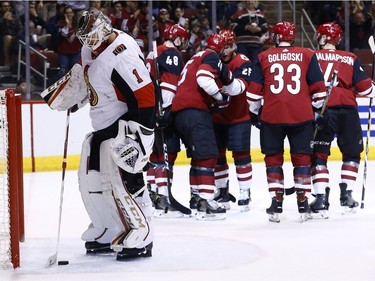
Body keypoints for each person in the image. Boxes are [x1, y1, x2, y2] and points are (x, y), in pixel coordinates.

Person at [42, 7, 156, 261]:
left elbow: (145, 97)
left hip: (124, 124)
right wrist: (69, 94)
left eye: (93, 36)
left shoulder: (122, 55)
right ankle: (107, 228)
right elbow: (85, 76)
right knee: (90, 175)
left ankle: (141, 231)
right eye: (85, 38)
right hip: (102, 125)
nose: (89, 43)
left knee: (124, 179)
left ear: (105, 28)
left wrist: (141, 137)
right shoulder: (89, 49)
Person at [247, 21, 327, 222]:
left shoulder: (263, 56)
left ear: (275, 37)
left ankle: (276, 201)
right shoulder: (308, 54)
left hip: (272, 116)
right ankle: (302, 201)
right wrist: (316, 110)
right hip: (301, 115)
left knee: (273, 158)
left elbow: (253, 93)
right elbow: (319, 88)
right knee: (302, 158)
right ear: (293, 37)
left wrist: (255, 113)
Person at [171, 33, 248, 220]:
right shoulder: (212, 57)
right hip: (195, 111)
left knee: (198, 157)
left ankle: (196, 197)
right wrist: (220, 98)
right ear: (221, 48)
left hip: (179, 113)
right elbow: (204, 79)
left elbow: (233, 86)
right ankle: (206, 201)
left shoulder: (194, 57)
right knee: (207, 156)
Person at [310, 22, 375, 216]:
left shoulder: (310, 56)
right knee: (352, 153)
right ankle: (347, 195)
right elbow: (366, 89)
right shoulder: (350, 57)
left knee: (318, 154)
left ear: (322, 38)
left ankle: (321, 198)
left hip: (321, 109)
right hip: (347, 109)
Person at [145, 24, 189, 217]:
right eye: (182, 38)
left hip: (147, 108)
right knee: (167, 153)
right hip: (161, 107)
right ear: (177, 38)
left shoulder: (152, 53)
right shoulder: (172, 53)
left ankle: (153, 193)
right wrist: (165, 110)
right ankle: (163, 196)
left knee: (154, 154)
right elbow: (169, 85)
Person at [211, 29, 253, 212]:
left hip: (239, 117)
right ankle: (222, 191)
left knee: (241, 156)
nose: (223, 50)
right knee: (219, 157)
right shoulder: (213, 60)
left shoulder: (243, 62)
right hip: (217, 117)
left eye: (226, 47)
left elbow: (240, 88)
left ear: (233, 46)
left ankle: (245, 191)